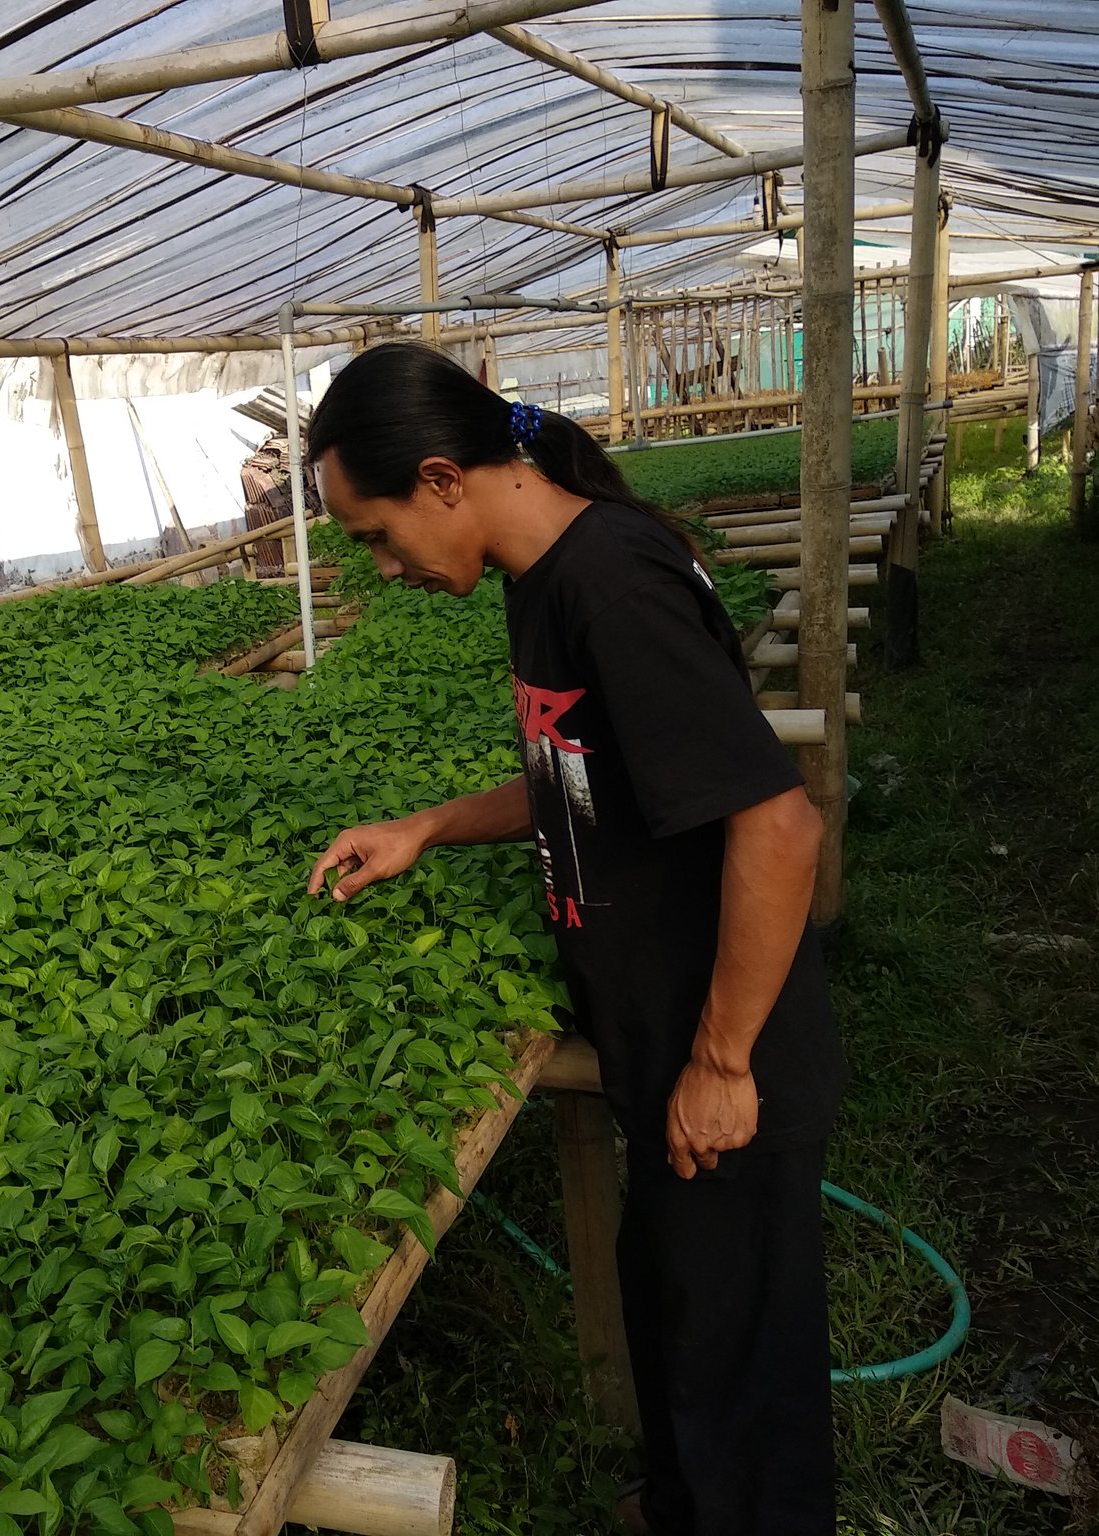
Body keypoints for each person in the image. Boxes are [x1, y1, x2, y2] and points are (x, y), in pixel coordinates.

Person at [302, 343, 847, 1536]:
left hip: (723, 1051)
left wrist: (720, 1062)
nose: (383, 567)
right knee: (680, 1323)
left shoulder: (611, 586)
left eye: (376, 535)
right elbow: (586, 775)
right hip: (661, 1037)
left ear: (441, 478)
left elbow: (778, 827)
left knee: (742, 1378)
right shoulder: (543, 575)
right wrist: (426, 827)